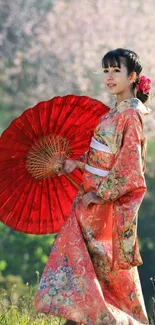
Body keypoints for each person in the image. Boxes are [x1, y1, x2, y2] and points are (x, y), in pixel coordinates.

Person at [34, 48, 151, 325]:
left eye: (115, 71)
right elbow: (103, 155)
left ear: (132, 76)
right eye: (105, 71)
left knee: (100, 278)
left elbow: (129, 165)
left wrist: (100, 194)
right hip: (89, 203)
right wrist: (77, 164)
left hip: (102, 207)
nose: (109, 77)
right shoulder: (116, 113)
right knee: (85, 274)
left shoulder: (130, 116)